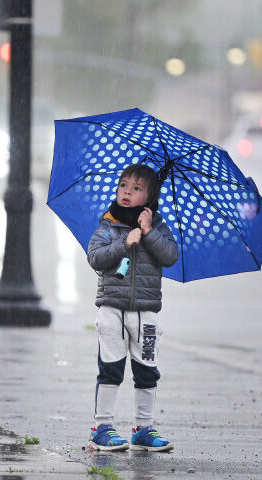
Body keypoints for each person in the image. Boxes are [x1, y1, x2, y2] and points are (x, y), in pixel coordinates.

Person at [85, 163, 179, 452]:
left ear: (150, 198)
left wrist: (148, 233)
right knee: (111, 368)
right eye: (123, 185)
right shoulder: (108, 225)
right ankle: (102, 428)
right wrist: (124, 243)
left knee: (147, 370)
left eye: (136, 189)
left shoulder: (158, 228)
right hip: (112, 308)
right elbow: (96, 258)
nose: (127, 192)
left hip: (146, 311)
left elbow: (171, 256)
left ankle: (143, 428)